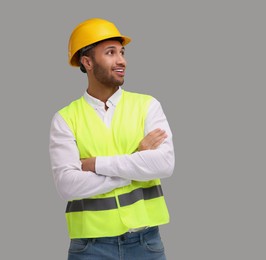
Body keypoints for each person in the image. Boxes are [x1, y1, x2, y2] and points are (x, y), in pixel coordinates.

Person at [49, 17, 175, 260]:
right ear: (87, 62)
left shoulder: (148, 106)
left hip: (145, 243)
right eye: (110, 52)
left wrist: (94, 164)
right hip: (90, 247)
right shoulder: (65, 119)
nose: (121, 60)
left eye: (122, 52)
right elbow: (67, 185)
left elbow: (164, 165)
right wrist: (136, 162)